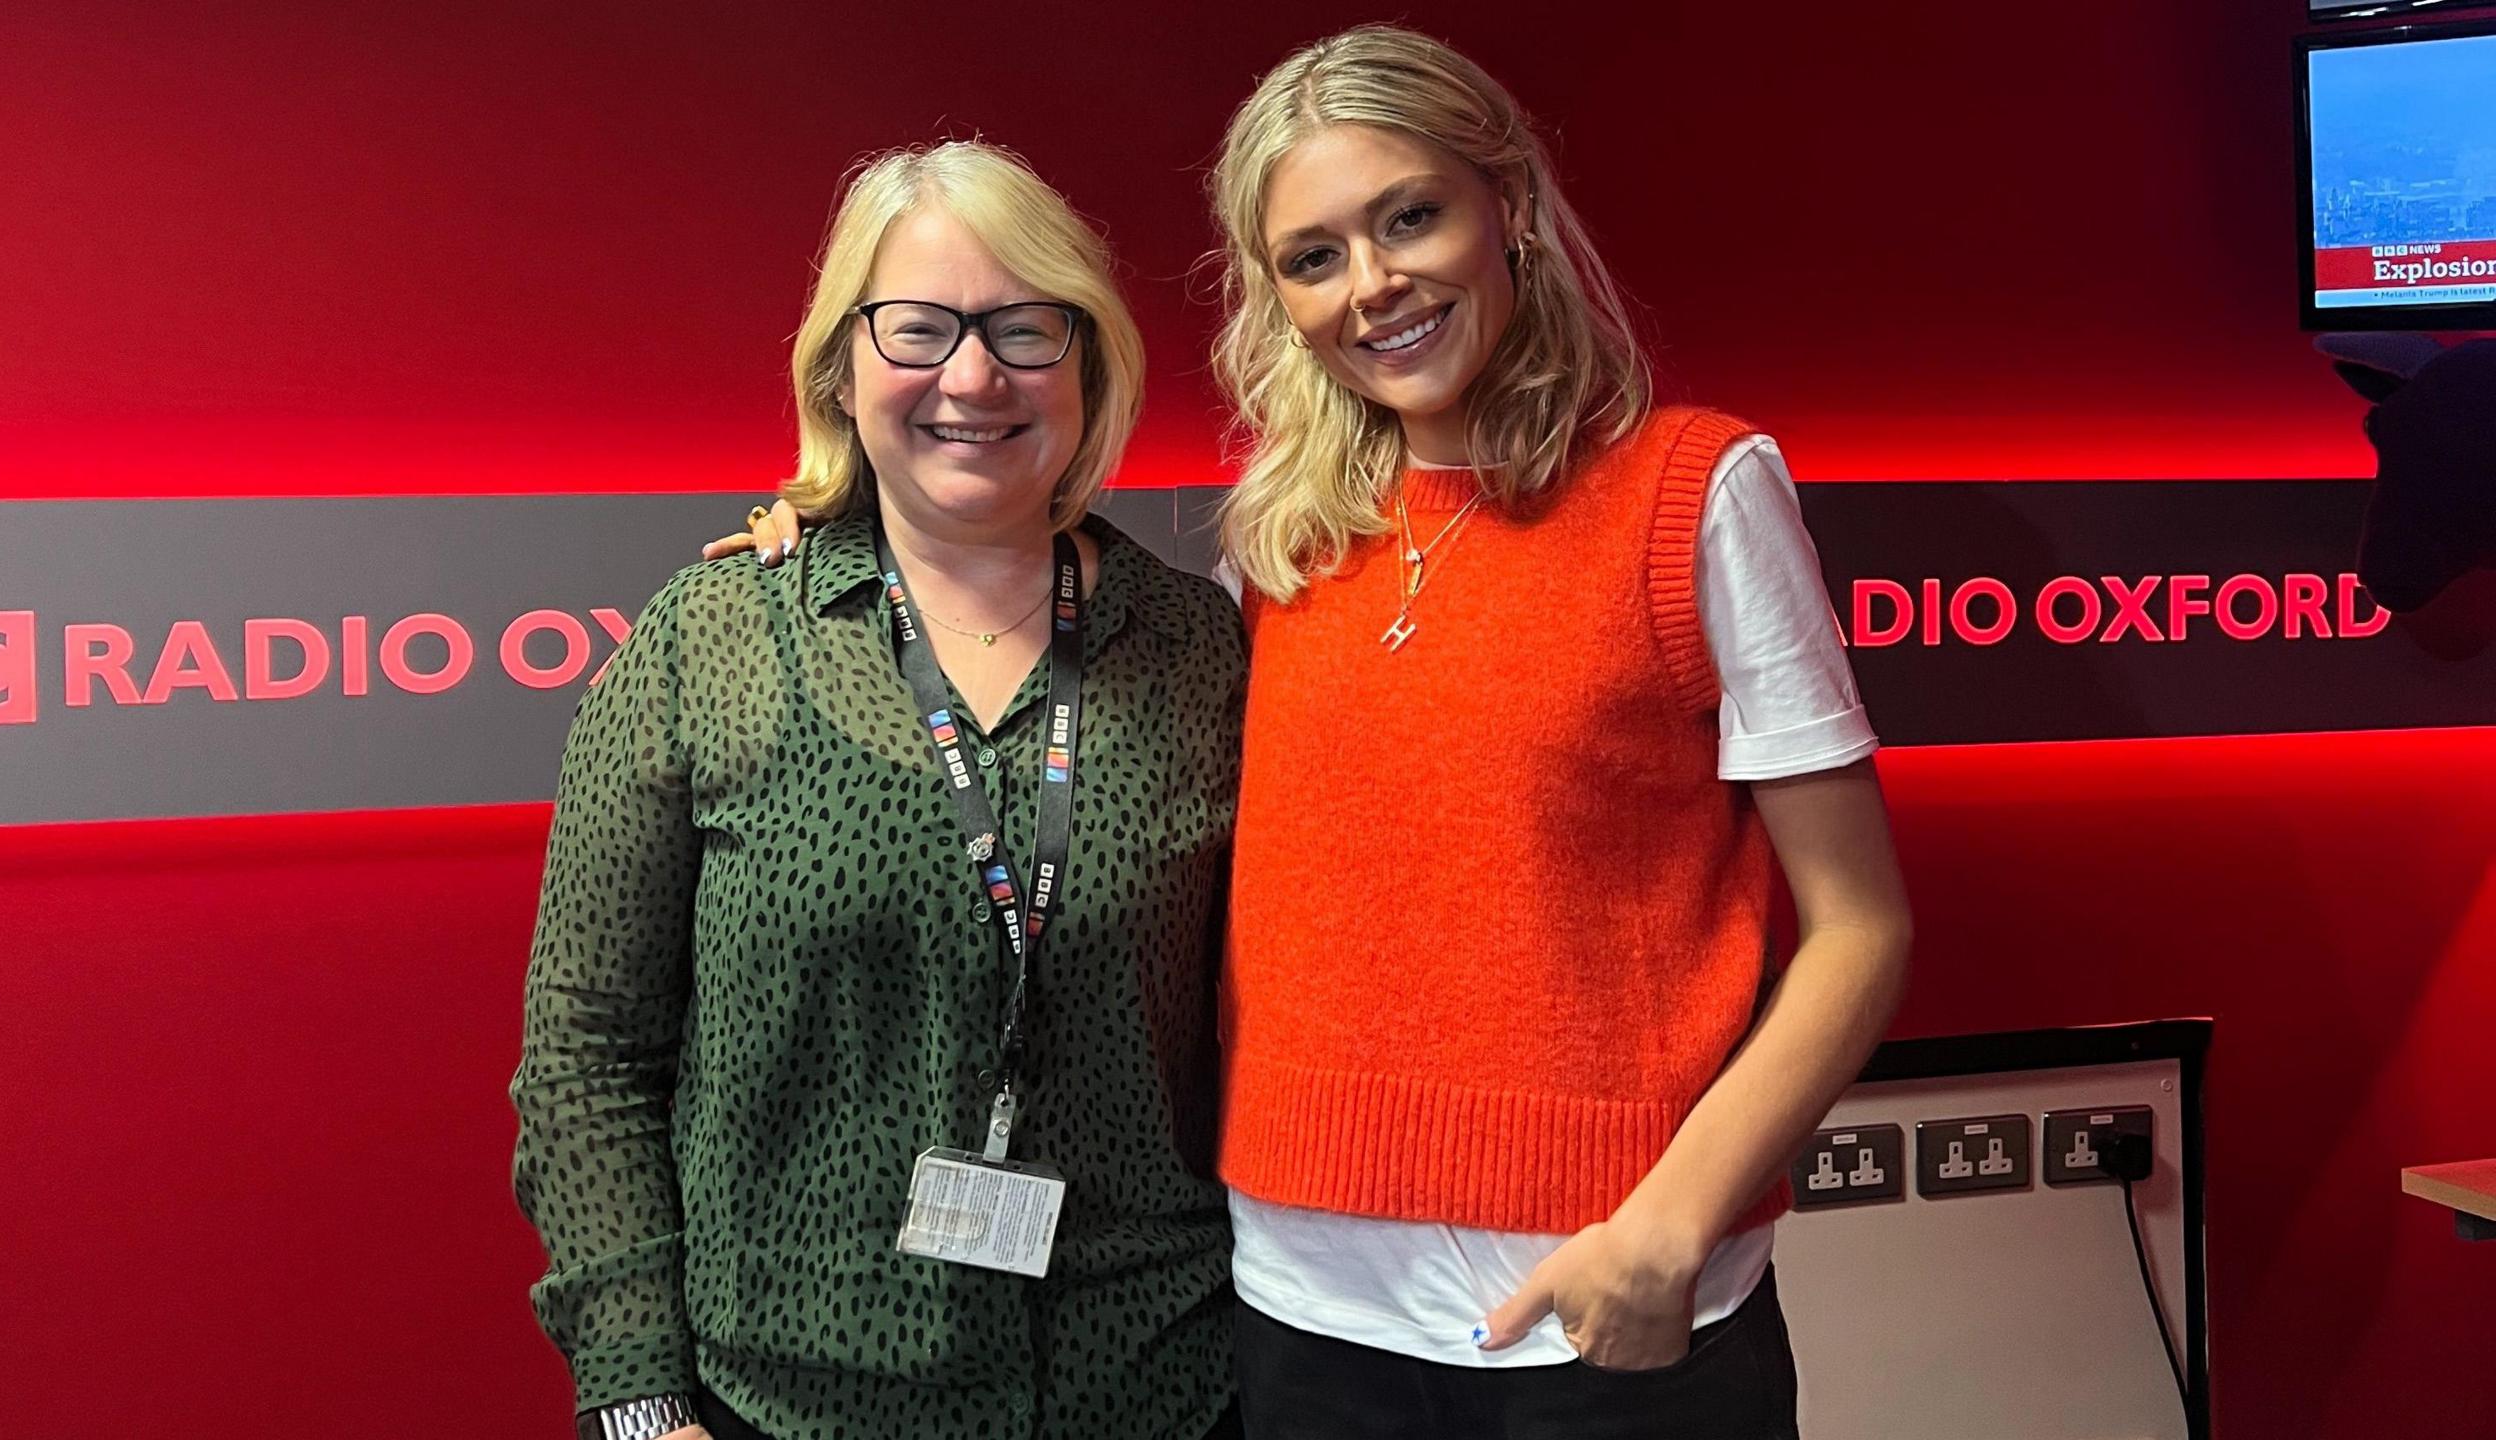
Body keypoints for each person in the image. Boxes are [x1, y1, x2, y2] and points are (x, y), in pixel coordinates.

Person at [719, 25, 1911, 1440]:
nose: (1374, 285)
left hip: (1603, 1309)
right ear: (1275, 293)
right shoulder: (1277, 550)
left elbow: (1860, 930)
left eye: (1411, 217)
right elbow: (1011, 586)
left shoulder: (1693, 493)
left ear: (1508, 207)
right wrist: (847, 519)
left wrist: (1677, 1219)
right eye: (1314, 255)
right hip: (1294, 1322)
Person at [514, 140, 1246, 1440]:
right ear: (841, 367)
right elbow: (588, 1057)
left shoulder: (1201, 649)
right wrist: (637, 1403)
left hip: (1154, 1388)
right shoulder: (713, 638)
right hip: (786, 1401)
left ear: (1089, 361)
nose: (972, 375)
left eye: (1026, 329)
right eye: (918, 327)